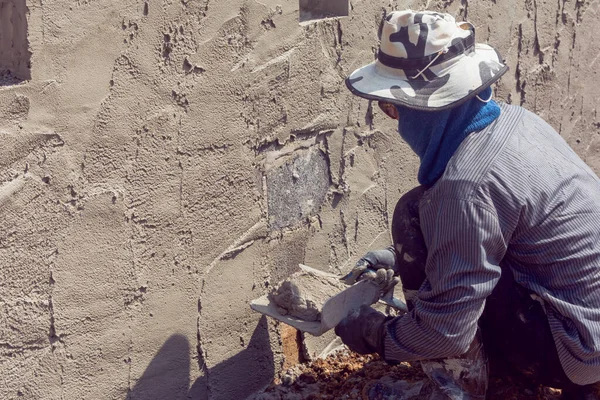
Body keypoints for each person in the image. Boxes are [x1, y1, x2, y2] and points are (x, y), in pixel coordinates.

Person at [334, 9, 600, 400]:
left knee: (413, 215)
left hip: (578, 350)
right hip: (589, 319)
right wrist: (397, 256)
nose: (393, 119)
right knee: (425, 214)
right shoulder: (517, 122)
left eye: (391, 107)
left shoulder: (464, 187)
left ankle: (456, 388)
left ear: (428, 107)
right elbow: (501, 226)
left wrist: (378, 335)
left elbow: (445, 331)